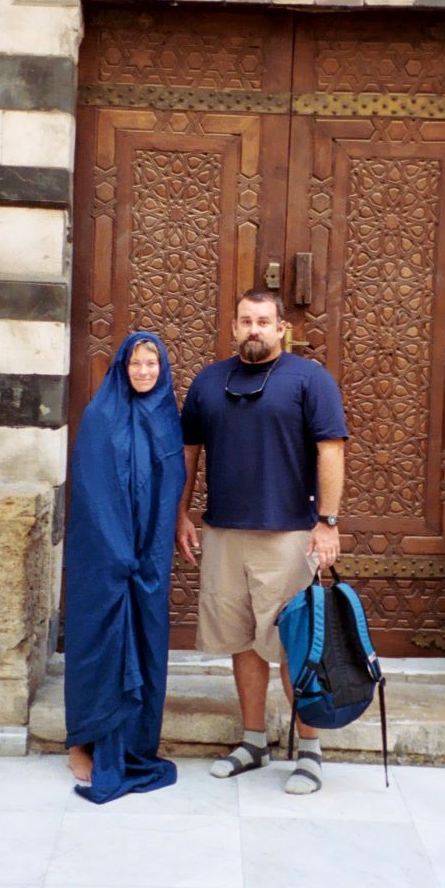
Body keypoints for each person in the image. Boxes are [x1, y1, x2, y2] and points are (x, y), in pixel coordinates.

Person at [176, 290, 347, 795]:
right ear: (233, 327)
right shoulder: (209, 381)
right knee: (243, 642)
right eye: (246, 320)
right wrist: (180, 513)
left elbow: (331, 450)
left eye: (264, 321)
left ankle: (310, 750)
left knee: (295, 645)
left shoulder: (310, 379)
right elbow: (189, 453)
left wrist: (327, 522)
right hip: (224, 533)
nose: (254, 329)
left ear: (281, 329)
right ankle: (253, 742)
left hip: (288, 535)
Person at [64, 333, 185, 804]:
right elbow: (92, 489)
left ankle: (134, 745)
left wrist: (150, 548)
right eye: (136, 363)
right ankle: (82, 742)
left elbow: (170, 485)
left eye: (152, 363)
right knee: (100, 644)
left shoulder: (167, 416)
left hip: (149, 559)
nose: (144, 371)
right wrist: (118, 550)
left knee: (147, 644)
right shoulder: (101, 415)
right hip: (107, 557)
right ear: (122, 367)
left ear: (163, 368)